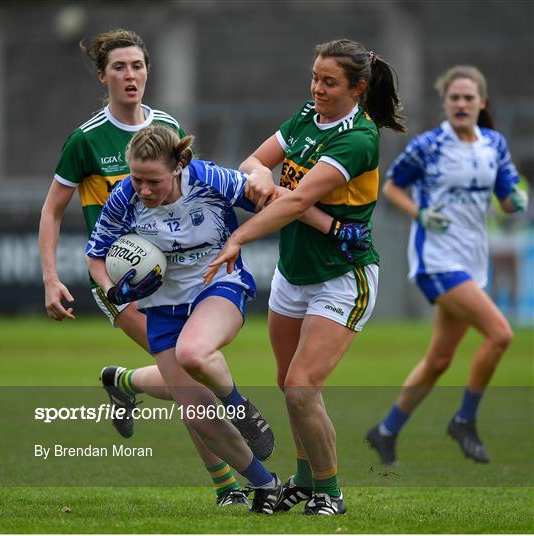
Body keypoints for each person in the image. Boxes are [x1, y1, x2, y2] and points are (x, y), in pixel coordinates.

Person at [38, 28, 253, 506]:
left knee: (185, 374)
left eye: (137, 65)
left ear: (147, 72)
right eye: (119, 67)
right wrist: (52, 278)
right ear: (103, 76)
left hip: (179, 275)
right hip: (125, 281)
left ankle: (123, 380)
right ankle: (227, 487)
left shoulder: (167, 126)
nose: (130, 75)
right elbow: (52, 210)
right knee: (187, 381)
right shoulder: (86, 140)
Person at [205, 39, 406, 515]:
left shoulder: (358, 138)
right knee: (287, 384)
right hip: (294, 273)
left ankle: (329, 493)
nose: (317, 88)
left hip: (343, 276)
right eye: (315, 77)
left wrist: (239, 238)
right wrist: (267, 181)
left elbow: (294, 201)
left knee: (301, 388)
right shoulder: (304, 118)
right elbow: (253, 163)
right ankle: (301, 478)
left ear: (357, 89)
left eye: (329, 82)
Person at [85, 124, 286, 513]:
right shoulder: (125, 196)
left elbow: (275, 200)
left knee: (194, 353)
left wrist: (327, 222)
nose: (143, 189)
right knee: (196, 414)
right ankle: (266, 485)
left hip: (218, 286)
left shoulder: (209, 179)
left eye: (152, 181)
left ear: (178, 166)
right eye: (136, 179)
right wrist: (113, 291)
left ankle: (240, 407)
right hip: (161, 307)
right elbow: (96, 254)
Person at [365, 65, 528, 466]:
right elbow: (392, 186)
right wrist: (419, 214)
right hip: (436, 260)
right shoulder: (428, 145)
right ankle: (464, 420)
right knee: (501, 334)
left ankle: (385, 430)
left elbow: (507, 198)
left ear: (481, 103)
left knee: (439, 360)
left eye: (468, 98)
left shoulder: (494, 145)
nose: (460, 104)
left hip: (472, 262)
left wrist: (516, 203)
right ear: (445, 103)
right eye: (454, 97)